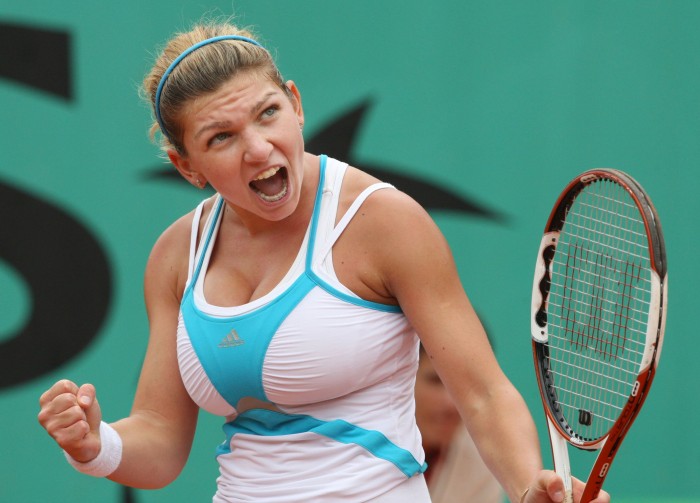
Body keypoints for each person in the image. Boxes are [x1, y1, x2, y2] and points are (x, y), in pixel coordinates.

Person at [37, 18, 610, 503]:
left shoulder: (383, 221)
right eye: (221, 137)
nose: (259, 147)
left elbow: (482, 393)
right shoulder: (175, 256)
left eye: (268, 114)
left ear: (296, 103)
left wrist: (524, 487)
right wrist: (96, 445)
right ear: (186, 166)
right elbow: (161, 441)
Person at [415, 345, 503, 502]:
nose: (451, 403)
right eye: (435, 381)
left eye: (465, 387)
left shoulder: (485, 462)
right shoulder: (360, 446)